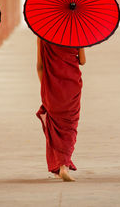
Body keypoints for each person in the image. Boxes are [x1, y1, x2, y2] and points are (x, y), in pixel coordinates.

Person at [36, 38, 86, 182]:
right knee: (70, 125)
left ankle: (60, 166)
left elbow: (40, 66)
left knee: (54, 125)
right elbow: (82, 61)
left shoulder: (42, 36)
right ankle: (63, 166)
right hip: (72, 86)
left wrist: (46, 86)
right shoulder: (76, 34)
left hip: (51, 87)